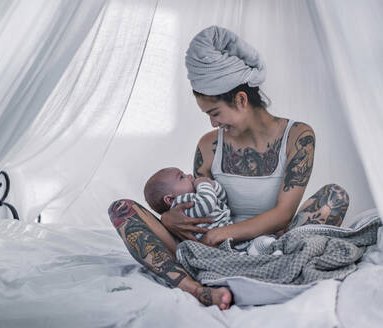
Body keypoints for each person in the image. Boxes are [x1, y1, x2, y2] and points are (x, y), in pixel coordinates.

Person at [108, 26, 349, 310]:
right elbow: (199, 207)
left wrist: (220, 235)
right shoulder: (208, 146)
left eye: (214, 113)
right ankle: (197, 289)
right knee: (121, 209)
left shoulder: (298, 137)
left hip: (272, 246)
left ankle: (257, 271)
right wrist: (168, 221)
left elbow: (284, 215)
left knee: (335, 196)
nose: (213, 123)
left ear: (241, 100)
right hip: (209, 252)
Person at [144, 167, 232, 241]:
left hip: (226, 235)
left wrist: (213, 185)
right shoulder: (182, 204)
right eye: (182, 177)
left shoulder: (199, 197)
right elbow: (208, 202)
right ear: (170, 199)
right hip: (221, 242)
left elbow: (222, 200)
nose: (190, 175)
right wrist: (203, 183)